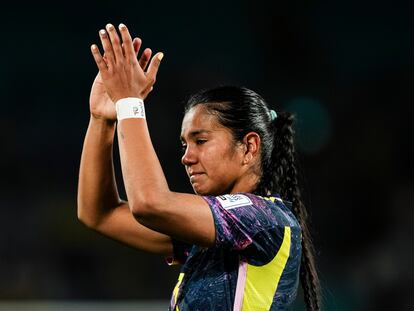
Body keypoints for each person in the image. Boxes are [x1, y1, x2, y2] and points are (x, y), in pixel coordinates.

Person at [77, 22, 321, 311]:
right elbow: (99, 214)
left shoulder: (265, 220)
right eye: (184, 145)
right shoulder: (213, 234)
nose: (186, 157)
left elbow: (149, 203)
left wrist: (129, 104)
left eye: (201, 140)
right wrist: (102, 120)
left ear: (249, 147)